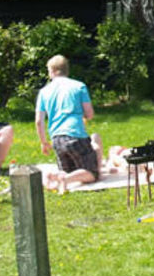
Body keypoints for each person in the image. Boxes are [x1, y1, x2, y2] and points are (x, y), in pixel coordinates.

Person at [35, 54, 104, 194]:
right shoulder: (79, 86)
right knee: (92, 174)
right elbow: (89, 114)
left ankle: (57, 177)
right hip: (75, 136)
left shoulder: (44, 91)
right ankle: (65, 180)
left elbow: (38, 121)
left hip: (57, 139)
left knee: (68, 171)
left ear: (53, 71)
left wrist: (44, 142)